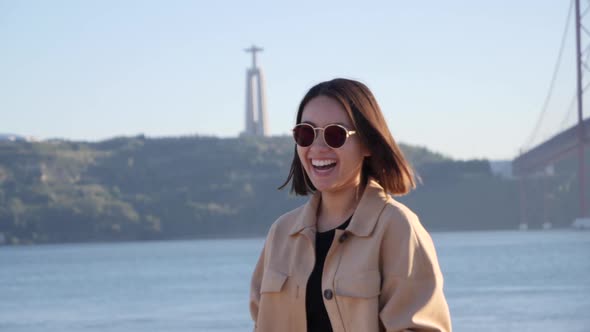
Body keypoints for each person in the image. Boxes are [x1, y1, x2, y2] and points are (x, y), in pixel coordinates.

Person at [249, 78, 452, 332]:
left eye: (335, 135)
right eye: (306, 134)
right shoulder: (281, 234)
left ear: (367, 143)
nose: (318, 148)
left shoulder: (397, 228)